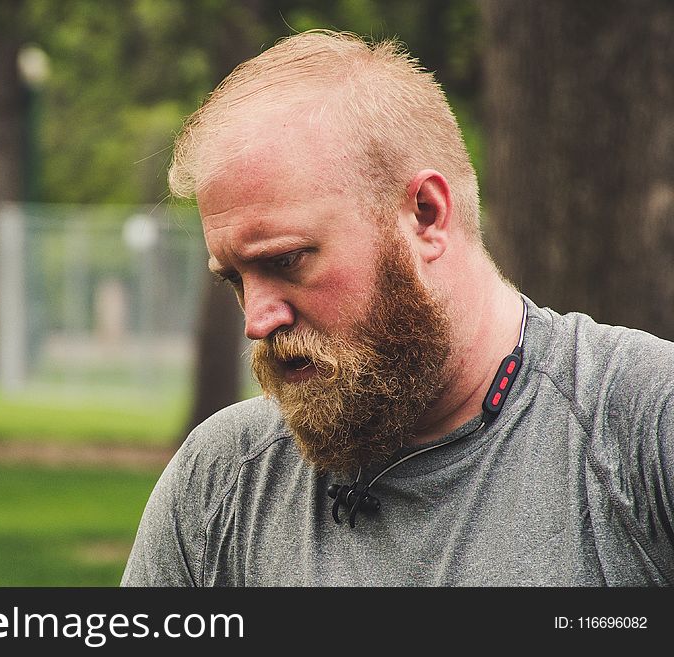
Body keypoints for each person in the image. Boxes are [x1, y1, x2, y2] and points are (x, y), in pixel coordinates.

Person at [120, 30, 674, 586]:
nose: (256, 321)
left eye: (287, 261)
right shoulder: (222, 483)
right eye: (236, 280)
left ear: (427, 216)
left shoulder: (645, 428)